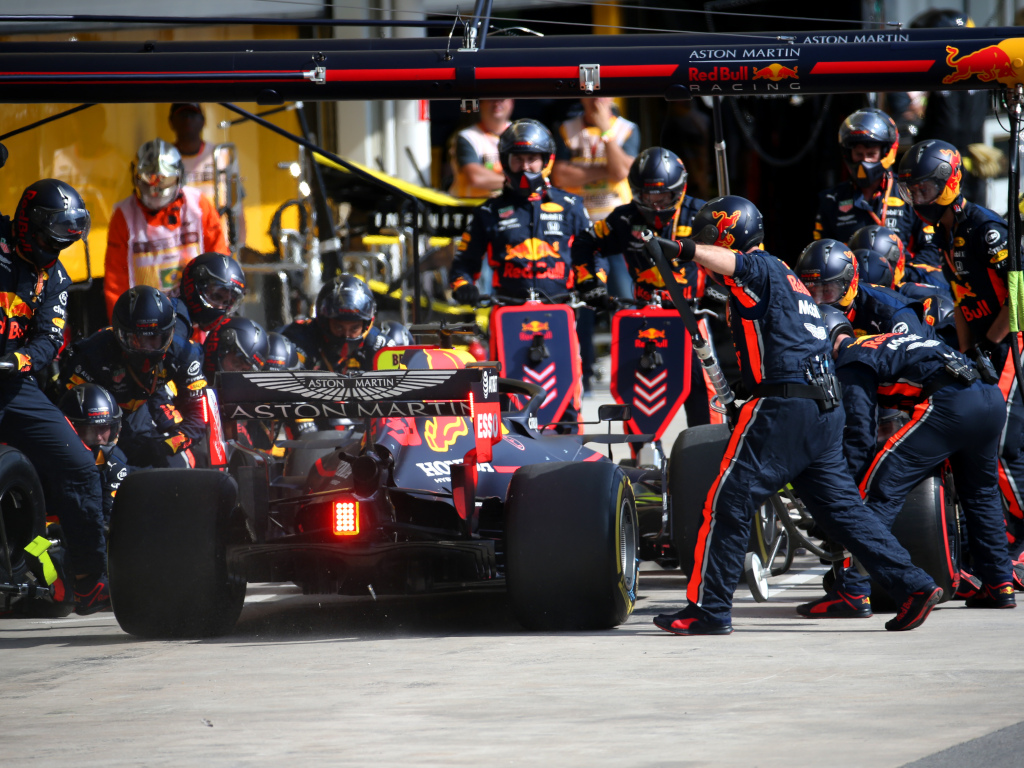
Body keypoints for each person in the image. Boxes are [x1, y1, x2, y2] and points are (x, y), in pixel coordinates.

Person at [646, 196, 942, 634]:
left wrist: (680, 249)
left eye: (710, 241)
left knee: (727, 501)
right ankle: (915, 585)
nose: (706, 252)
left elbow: (733, 263)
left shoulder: (761, 267)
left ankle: (709, 610)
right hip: (823, 408)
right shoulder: (787, 280)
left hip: (785, 405)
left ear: (731, 237)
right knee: (844, 512)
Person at [797, 306, 1015, 616]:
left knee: (876, 492)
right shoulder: (881, 341)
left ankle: (852, 590)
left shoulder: (850, 360)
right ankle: (999, 583)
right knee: (982, 495)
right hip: (989, 398)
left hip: (949, 403)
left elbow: (859, 435)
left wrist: (844, 488)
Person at [898, 139, 1024, 571]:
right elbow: (961, 297)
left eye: (924, 189)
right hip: (986, 348)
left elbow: (1021, 295)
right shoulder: (944, 234)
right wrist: (969, 354)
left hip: (1013, 345)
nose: (918, 198)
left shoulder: (986, 228)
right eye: (912, 191)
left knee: (1003, 449)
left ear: (949, 183)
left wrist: (992, 344)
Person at [0, 179, 108, 614]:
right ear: (28, 224)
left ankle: (87, 578)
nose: (57, 245)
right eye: (52, 234)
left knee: (81, 466)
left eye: (68, 235)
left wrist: (16, 363)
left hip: (11, 384)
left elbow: (48, 340)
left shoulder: (55, 278)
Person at [449, 119, 592, 419]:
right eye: (517, 158)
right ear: (505, 161)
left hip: (561, 313)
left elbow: (590, 256)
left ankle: (569, 450)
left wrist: (594, 283)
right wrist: (464, 288)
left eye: (532, 158)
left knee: (566, 392)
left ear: (546, 160)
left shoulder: (571, 206)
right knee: (508, 395)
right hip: (507, 314)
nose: (525, 166)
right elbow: (463, 264)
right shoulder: (487, 212)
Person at [571, 149, 721, 427]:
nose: (655, 204)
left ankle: (703, 455)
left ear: (679, 189)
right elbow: (584, 243)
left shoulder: (703, 214)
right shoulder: (623, 218)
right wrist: (591, 283)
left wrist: (717, 291)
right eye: (646, 196)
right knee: (634, 392)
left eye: (662, 196)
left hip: (691, 318)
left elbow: (732, 254)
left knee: (702, 391)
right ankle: (640, 458)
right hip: (641, 317)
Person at [59, 285, 208, 469]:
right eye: (137, 338)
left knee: (178, 465)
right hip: (101, 424)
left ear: (168, 335)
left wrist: (166, 446)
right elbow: (68, 416)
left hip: (140, 411)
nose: (146, 347)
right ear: (120, 333)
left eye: (154, 338)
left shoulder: (184, 355)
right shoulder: (91, 356)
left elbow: (200, 417)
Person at [104, 138, 227, 318]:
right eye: (149, 182)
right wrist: (121, 325)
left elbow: (219, 258)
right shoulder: (124, 215)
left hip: (197, 311)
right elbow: (115, 281)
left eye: (164, 182)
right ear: (135, 177)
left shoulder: (198, 205)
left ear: (179, 176)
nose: (156, 191)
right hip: (147, 318)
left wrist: (215, 313)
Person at [813, 108, 941, 272]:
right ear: (848, 153)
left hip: (902, 286)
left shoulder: (913, 193)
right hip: (852, 288)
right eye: (859, 154)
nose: (864, 161)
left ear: (885, 153)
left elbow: (932, 249)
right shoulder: (831, 200)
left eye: (871, 154)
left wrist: (902, 276)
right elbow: (821, 257)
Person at [552, 97, 641, 300]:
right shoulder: (565, 129)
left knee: (624, 296)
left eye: (602, 95)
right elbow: (559, 175)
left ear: (612, 98)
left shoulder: (627, 129)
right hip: (578, 225)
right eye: (591, 95)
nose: (596, 100)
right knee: (583, 297)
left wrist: (605, 131)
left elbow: (620, 172)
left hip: (615, 225)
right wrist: (607, 168)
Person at [795, 238, 937, 340]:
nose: (818, 302)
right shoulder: (795, 308)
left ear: (850, 284)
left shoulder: (891, 313)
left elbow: (916, 363)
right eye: (810, 292)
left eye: (826, 291)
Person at [169, 102, 246, 248]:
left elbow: (237, 204)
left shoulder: (221, 155)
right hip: (180, 245)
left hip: (217, 240)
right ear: (171, 121)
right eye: (183, 115)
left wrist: (241, 244)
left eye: (193, 115)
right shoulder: (164, 158)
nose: (188, 120)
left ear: (203, 121)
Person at [59, 383, 133, 526]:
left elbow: (113, 521)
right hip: (45, 535)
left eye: (103, 428)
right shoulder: (43, 459)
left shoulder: (116, 465)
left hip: (89, 536)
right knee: (31, 549)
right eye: (89, 430)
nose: (99, 438)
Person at [283, 275, 390, 372]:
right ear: (324, 322)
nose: (346, 335)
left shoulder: (379, 345)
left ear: (366, 326)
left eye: (354, 328)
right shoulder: (300, 338)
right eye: (339, 327)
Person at [448, 98, 513, 199]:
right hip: (469, 209)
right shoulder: (467, 136)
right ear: (481, 103)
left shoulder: (522, 134)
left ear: (511, 102)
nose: (497, 103)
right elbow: (477, 178)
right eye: (491, 98)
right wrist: (518, 182)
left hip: (509, 208)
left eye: (502, 98)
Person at [179, 251, 246, 343]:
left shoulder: (212, 337)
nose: (220, 307)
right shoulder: (171, 318)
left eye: (226, 303)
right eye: (216, 296)